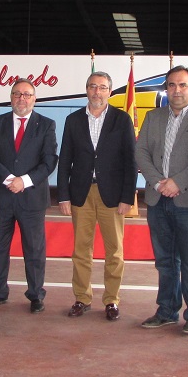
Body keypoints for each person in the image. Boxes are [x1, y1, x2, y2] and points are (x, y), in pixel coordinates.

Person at [135, 65, 188, 334]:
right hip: (159, 200)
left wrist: (177, 182)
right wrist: (160, 182)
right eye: (171, 85)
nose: (177, 90)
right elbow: (141, 152)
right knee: (165, 261)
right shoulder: (153, 116)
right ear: (166, 89)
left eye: (182, 85)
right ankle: (167, 310)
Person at [57, 71, 137, 321]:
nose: (97, 92)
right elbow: (65, 160)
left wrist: (127, 196)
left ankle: (111, 300)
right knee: (81, 251)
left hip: (112, 196)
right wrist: (63, 196)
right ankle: (82, 297)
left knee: (115, 251)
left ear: (110, 92)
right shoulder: (73, 120)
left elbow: (130, 161)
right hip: (81, 193)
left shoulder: (121, 120)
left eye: (102, 87)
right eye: (93, 86)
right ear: (86, 90)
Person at [0, 78, 58, 313]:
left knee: (34, 249)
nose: (21, 98)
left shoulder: (46, 124)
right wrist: (8, 179)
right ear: (11, 98)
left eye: (27, 94)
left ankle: (35, 295)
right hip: (2, 196)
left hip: (31, 197)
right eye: (17, 94)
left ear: (34, 99)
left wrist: (23, 181)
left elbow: (49, 161)